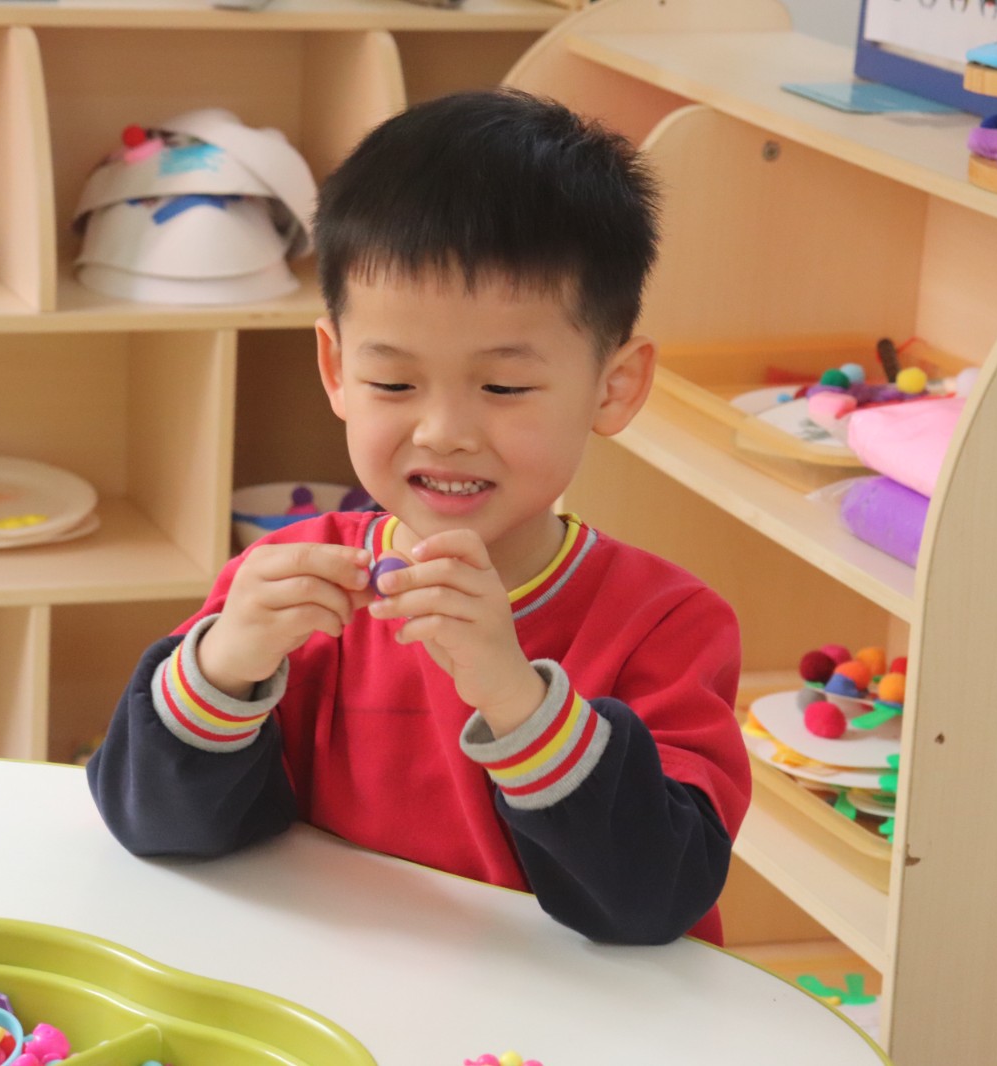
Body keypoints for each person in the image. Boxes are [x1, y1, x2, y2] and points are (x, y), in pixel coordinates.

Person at [87, 88, 750, 945]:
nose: (443, 432)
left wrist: (517, 700)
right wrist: (223, 669)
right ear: (335, 369)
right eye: (394, 382)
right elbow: (161, 829)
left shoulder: (666, 624)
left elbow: (653, 903)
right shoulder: (293, 581)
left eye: (504, 386)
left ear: (613, 387)